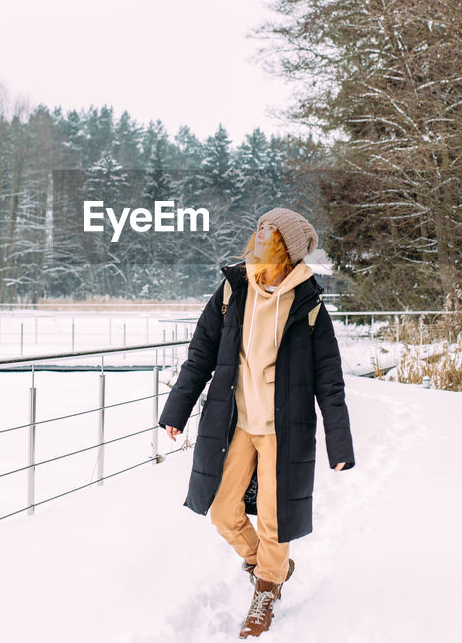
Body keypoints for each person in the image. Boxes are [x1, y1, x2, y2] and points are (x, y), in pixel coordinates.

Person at [159, 207, 355, 638]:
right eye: (261, 228)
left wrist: (339, 444)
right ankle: (271, 565)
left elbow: (330, 381)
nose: (262, 235)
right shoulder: (233, 289)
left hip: (285, 431)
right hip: (237, 423)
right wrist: (177, 411)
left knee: (273, 517)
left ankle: (265, 591)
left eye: (272, 232)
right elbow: (201, 355)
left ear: (286, 249)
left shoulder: (308, 306)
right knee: (223, 511)